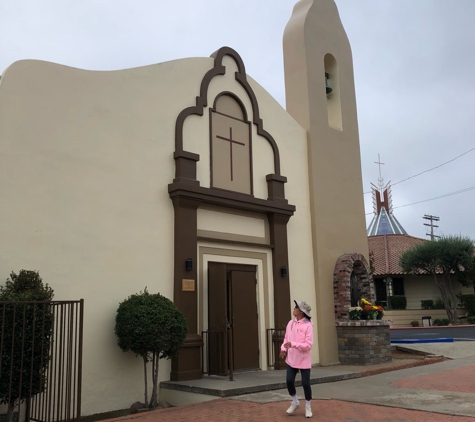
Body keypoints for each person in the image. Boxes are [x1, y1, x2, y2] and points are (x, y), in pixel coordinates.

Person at [280, 300, 313, 418]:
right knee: (289, 381)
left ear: (301, 312)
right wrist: (283, 349)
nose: (294, 309)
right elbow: (286, 339)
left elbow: (308, 345)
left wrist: (293, 344)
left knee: (305, 383)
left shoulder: (308, 326)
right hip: (292, 358)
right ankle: (295, 402)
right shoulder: (290, 323)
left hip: (304, 359)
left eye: (296, 308)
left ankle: (308, 406)